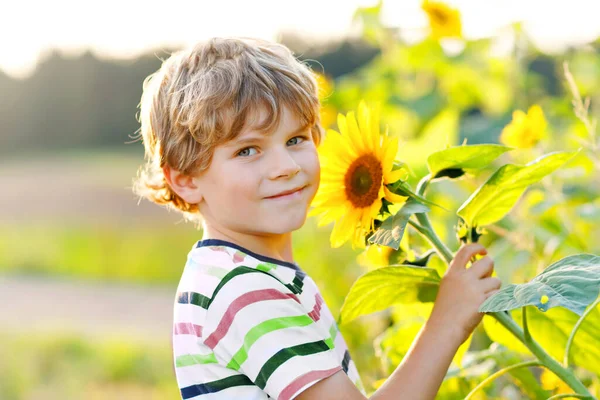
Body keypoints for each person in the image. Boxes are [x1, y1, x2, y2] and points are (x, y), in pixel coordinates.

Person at [132, 36, 501, 400]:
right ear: (185, 179)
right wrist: (447, 322)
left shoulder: (229, 274)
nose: (286, 167)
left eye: (296, 139)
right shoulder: (244, 292)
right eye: (248, 150)